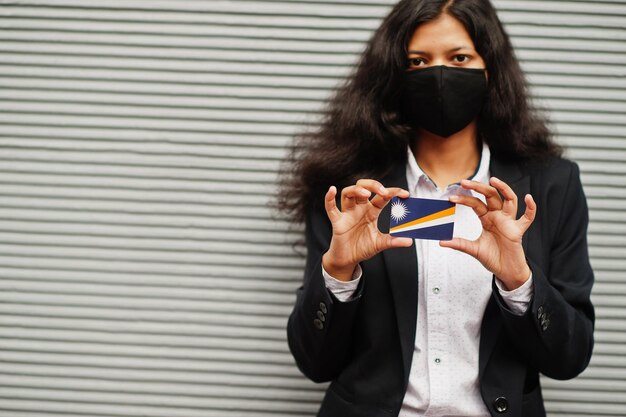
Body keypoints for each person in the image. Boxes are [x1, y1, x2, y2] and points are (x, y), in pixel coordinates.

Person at [278, 0, 595, 416]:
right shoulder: (351, 192)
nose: (440, 75)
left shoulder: (552, 185)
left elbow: (569, 358)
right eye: (418, 61)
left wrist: (519, 281)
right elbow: (314, 363)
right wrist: (337, 273)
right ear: (395, 73)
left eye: (459, 57)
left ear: (489, 69)